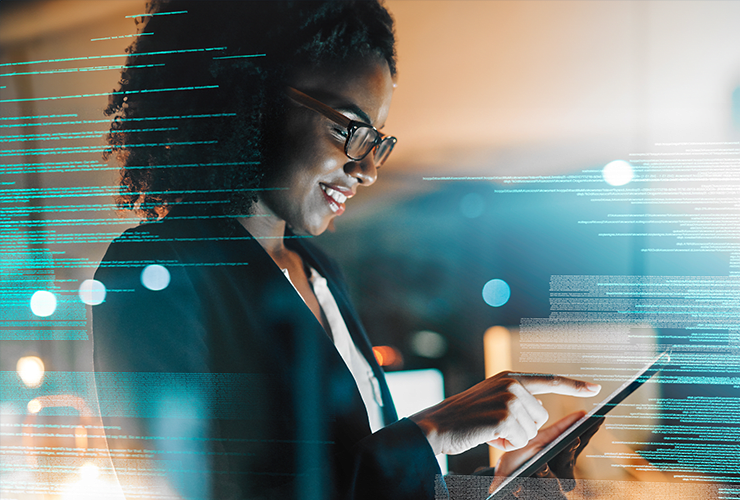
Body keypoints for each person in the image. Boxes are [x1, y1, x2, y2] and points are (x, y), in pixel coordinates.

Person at [93, 1, 601, 499]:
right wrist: (431, 433)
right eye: (348, 129)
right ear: (246, 95)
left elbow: (355, 474)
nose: (368, 169)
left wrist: (500, 490)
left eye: (376, 140)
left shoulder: (319, 270)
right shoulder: (154, 271)